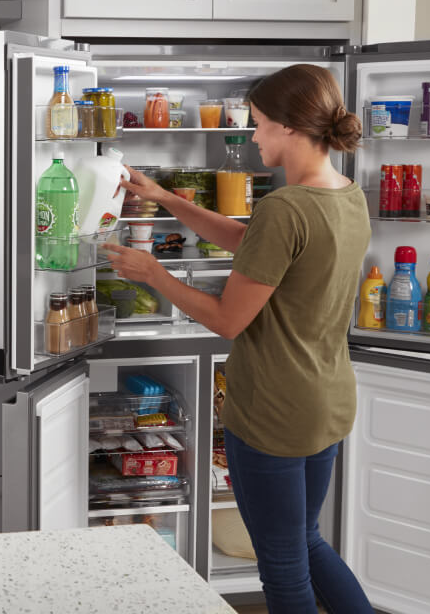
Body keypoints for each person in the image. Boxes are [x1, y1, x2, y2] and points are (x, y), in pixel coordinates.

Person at [103, 64, 373, 613]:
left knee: (280, 563)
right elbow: (250, 240)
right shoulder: (346, 195)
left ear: (291, 129)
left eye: (259, 123)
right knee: (304, 540)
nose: (253, 136)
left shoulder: (285, 207)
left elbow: (229, 320)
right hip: (327, 401)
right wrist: (165, 198)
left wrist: (154, 274)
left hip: (274, 408)